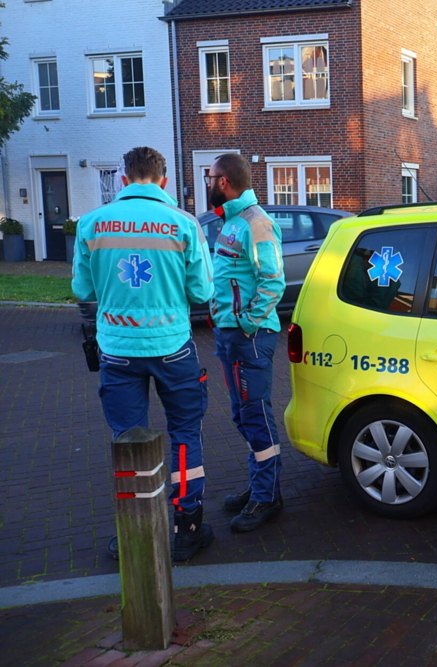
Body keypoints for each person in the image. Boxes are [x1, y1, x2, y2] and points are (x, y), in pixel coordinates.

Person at [72, 146, 215, 562]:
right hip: (172, 347)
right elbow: (202, 292)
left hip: (117, 349)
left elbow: (83, 291)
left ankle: (137, 529)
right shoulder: (183, 224)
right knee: (185, 436)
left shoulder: (92, 224)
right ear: (164, 180)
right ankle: (187, 527)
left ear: (122, 179)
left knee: (129, 439)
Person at [206, 153, 286, 532]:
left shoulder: (255, 223)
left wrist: (245, 324)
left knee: (255, 415)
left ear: (224, 181)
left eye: (209, 177)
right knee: (242, 415)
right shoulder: (234, 221)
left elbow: (273, 281)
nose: (207, 183)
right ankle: (260, 486)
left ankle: (266, 497)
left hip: (247, 338)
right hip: (231, 336)